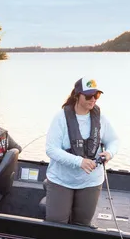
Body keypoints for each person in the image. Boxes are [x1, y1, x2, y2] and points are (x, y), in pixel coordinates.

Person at [44, 77, 120, 226]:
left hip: (91, 182)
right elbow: (51, 149)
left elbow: (114, 140)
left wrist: (109, 153)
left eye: (96, 96)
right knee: (56, 225)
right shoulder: (60, 118)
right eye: (89, 96)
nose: (93, 100)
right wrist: (79, 162)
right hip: (62, 180)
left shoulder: (101, 118)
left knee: (82, 225)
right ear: (77, 96)